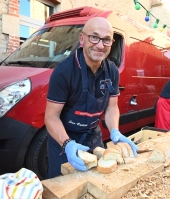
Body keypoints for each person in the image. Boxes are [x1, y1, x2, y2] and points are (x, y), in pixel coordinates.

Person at [44, 17, 139, 179]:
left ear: (112, 43)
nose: (100, 45)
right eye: (94, 37)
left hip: (93, 137)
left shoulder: (112, 71)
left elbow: (111, 107)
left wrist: (115, 131)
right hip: (65, 140)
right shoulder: (64, 71)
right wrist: (67, 144)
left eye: (106, 40)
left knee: (97, 181)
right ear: (82, 38)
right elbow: (51, 117)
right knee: (61, 186)